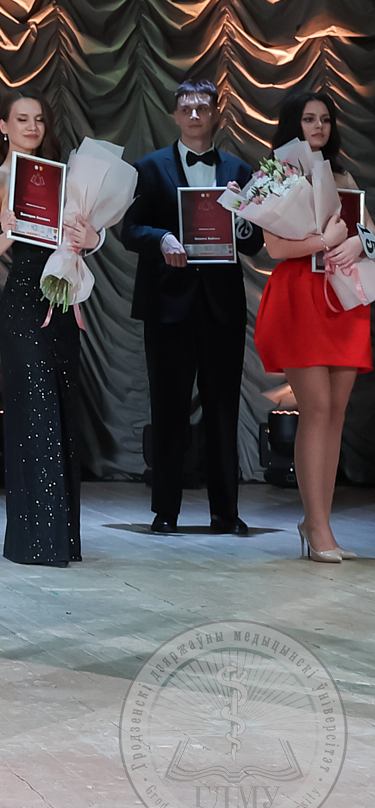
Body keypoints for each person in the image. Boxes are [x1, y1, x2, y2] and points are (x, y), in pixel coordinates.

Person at [119, 77, 264, 535]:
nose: (195, 115)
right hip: (168, 305)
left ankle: (226, 513)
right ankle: (166, 511)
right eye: (187, 108)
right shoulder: (149, 167)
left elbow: (255, 241)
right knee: (168, 409)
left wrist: (240, 223)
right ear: (175, 115)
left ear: (216, 113)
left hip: (221, 306)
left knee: (222, 410)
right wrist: (161, 238)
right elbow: (128, 229)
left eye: (203, 107)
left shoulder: (240, 169)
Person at [0, 94, 101, 566]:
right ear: (3, 126)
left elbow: (87, 235)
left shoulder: (61, 180)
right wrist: (10, 231)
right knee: (34, 416)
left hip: (62, 304)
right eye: (22, 119)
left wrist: (92, 237)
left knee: (62, 413)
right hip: (23, 306)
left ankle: (61, 539)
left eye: (39, 119)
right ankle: (34, 541)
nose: (31, 127)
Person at [252, 89, 370, 562]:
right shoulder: (274, 174)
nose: (318, 126)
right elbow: (276, 248)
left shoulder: (343, 176)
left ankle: (320, 524)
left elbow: (369, 232)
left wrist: (359, 243)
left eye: (324, 119)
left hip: (344, 298)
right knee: (316, 407)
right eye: (308, 118)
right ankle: (316, 526)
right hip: (300, 296)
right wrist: (324, 240)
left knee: (335, 413)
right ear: (292, 124)